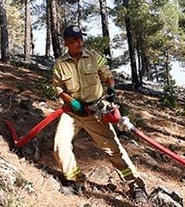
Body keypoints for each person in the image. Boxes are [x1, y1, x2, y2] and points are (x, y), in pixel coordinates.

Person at [52, 24, 147, 203]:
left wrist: (111, 90)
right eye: (74, 40)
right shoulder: (60, 65)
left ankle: (136, 186)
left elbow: (107, 76)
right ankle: (75, 181)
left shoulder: (94, 56)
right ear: (66, 43)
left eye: (81, 38)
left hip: (95, 111)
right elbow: (58, 88)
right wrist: (70, 101)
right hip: (72, 113)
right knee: (60, 145)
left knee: (114, 150)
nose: (79, 43)